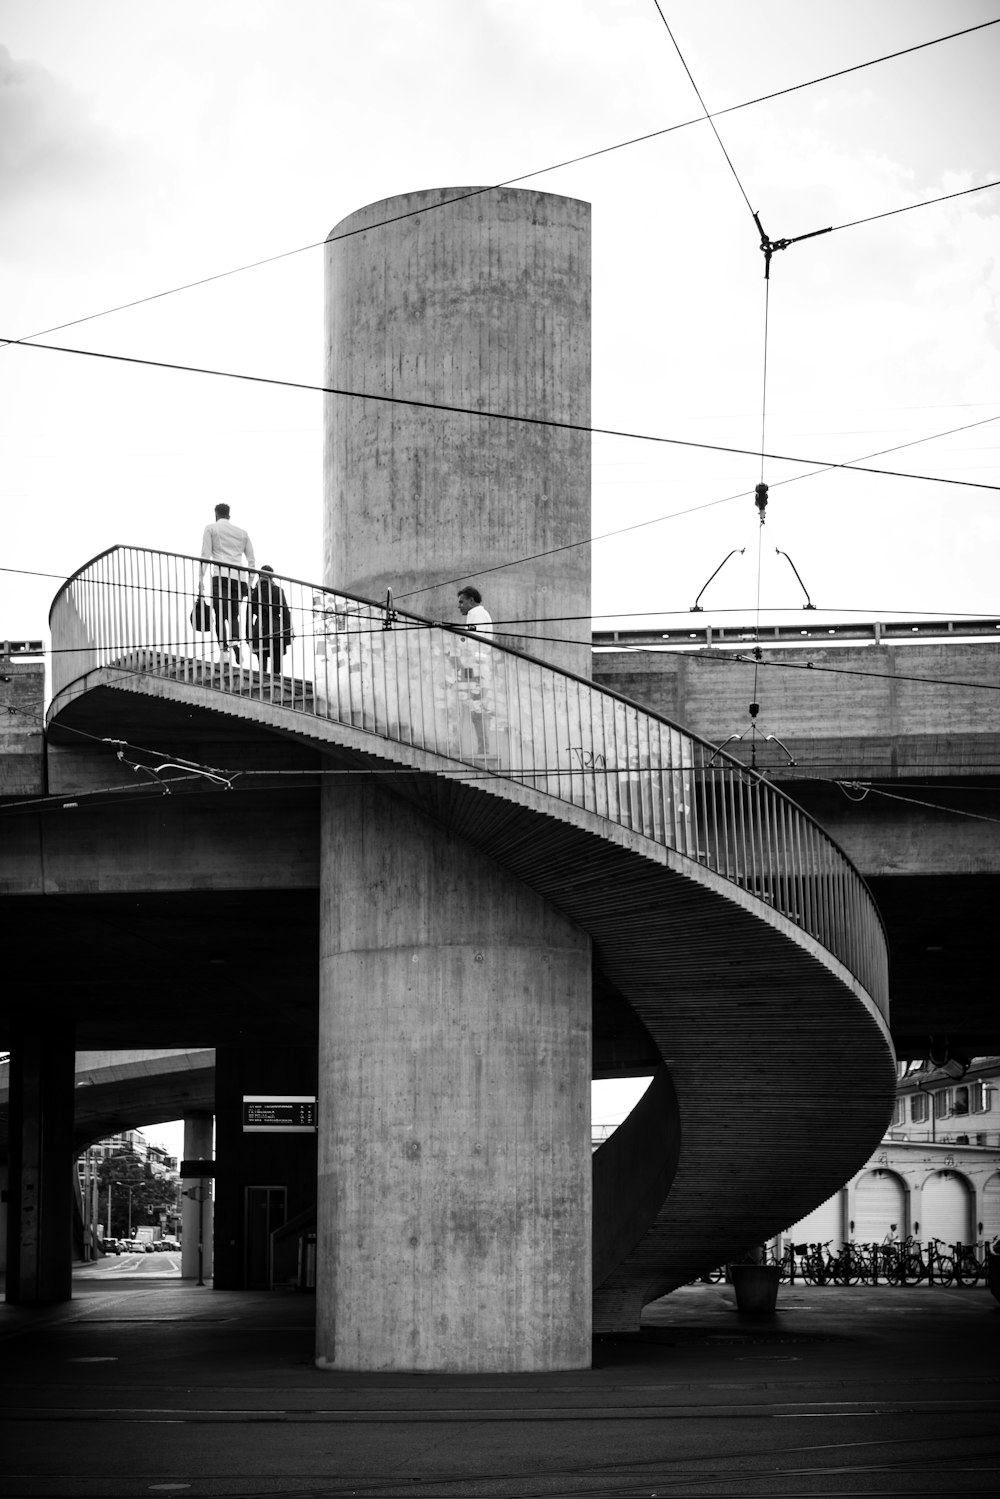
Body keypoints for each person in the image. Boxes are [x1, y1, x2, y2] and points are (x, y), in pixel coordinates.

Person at [199, 503, 255, 663]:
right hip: (239, 578)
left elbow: (205, 554)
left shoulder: (211, 529)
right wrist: (249, 582)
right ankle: (236, 643)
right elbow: (251, 560)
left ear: (216, 515)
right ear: (229, 515)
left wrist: (200, 579)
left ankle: (224, 653)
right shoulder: (242, 533)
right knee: (233, 615)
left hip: (220, 576)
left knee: (220, 615)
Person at [456, 586, 493, 756]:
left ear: (471, 600)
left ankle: (483, 747)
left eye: (462, 602)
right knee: (475, 710)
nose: (459, 606)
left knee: (475, 710)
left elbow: (471, 643)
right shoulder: (481, 614)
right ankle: (482, 746)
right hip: (478, 668)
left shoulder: (476, 615)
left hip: (476, 669)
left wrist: (458, 651)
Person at [249, 565, 293, 674]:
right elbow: (285, 611)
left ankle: (262, 684)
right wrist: (289, 630)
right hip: (276, 629)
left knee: (262, 668)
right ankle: (276, 684)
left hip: (259, 629)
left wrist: (248, 634)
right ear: (272, 577)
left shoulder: (254, 592)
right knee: (276, 668)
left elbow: (249, 614)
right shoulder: (277, 590)